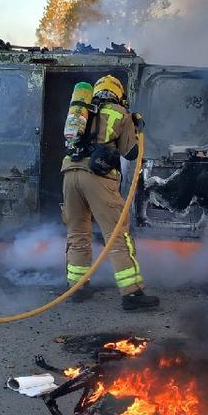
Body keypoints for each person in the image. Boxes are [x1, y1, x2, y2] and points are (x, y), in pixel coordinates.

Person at [61, 75, 160, 311]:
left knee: (77, 233)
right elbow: (131, 153)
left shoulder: (81, 113)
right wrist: (136, 128)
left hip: (69, 173)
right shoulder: (119, 112)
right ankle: (132, 294)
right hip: (97, 178)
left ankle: (77, 287)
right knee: (117, 235)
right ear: (118, 93)